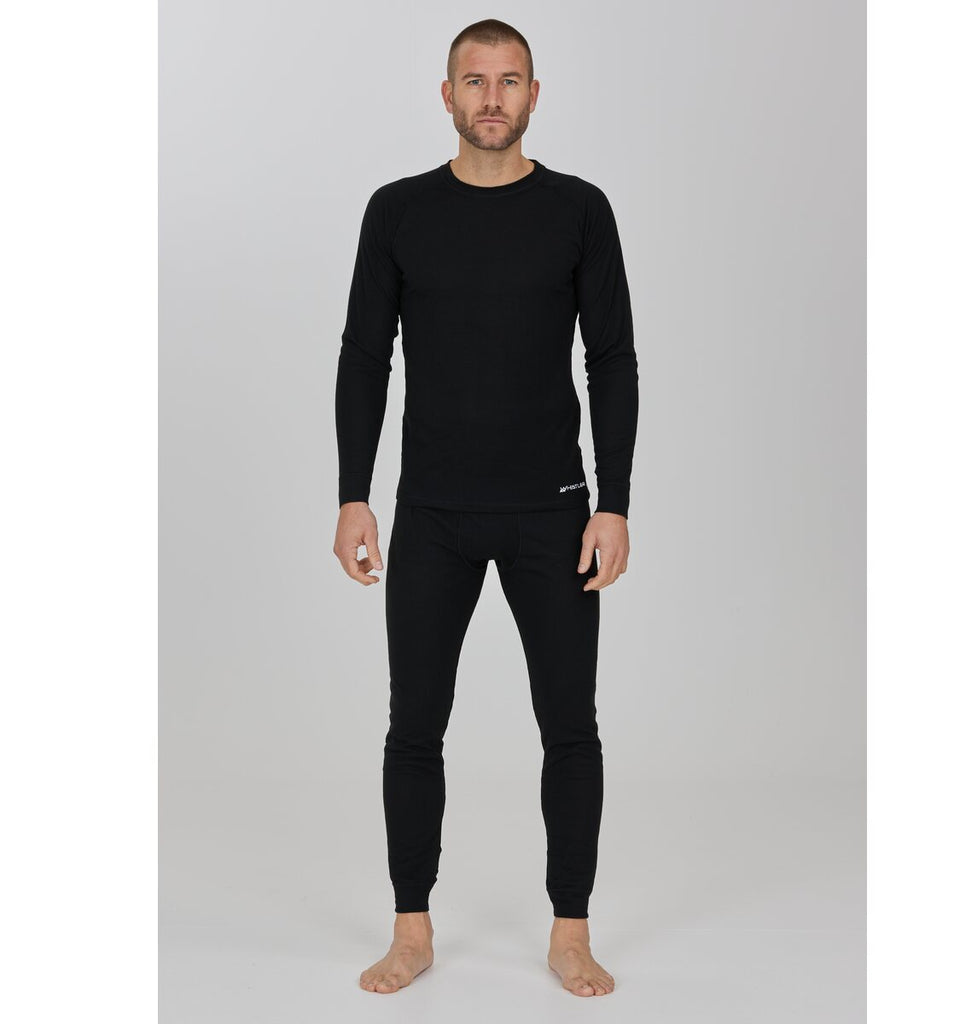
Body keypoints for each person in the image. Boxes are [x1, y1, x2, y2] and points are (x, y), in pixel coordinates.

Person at [333, 18, 638, 998]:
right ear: (447, 94)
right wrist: (352, 495)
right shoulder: (398, 211)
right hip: (432, 513)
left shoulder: (579, 210)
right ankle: (411, 929)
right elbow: (364, 356)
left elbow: (612, 359)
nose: (492, 97)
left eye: (509, 81)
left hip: (554, 513)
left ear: (534, 95)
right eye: (475, 80)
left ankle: (570, 932)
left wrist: (614, 503)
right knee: (414, 725)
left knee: (570, 726)